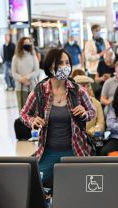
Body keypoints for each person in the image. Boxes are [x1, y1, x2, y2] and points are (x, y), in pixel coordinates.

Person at [20, 48, 95, 188]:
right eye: (60, 63)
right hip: (47, 152)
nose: (65, 67)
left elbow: (92, 111)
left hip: (75, 151)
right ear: (50, 66)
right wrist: (32, 121)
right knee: (33, 186)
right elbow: (24, 113)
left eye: (67, 63)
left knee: (78, 189)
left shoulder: (77, 90)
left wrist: (85, 113)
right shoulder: (40, 91)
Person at [12, 37, 40, 111]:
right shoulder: (16, 58)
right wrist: (22, 80)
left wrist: (27, 77)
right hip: (20, 88)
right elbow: (14, 73)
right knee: (22, 111)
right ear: (21, 45)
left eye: (29, 43)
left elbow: (37, 71)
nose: (28, 45)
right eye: (25, 43)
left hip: (32, 87)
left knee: (34, 111)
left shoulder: (33, 57)